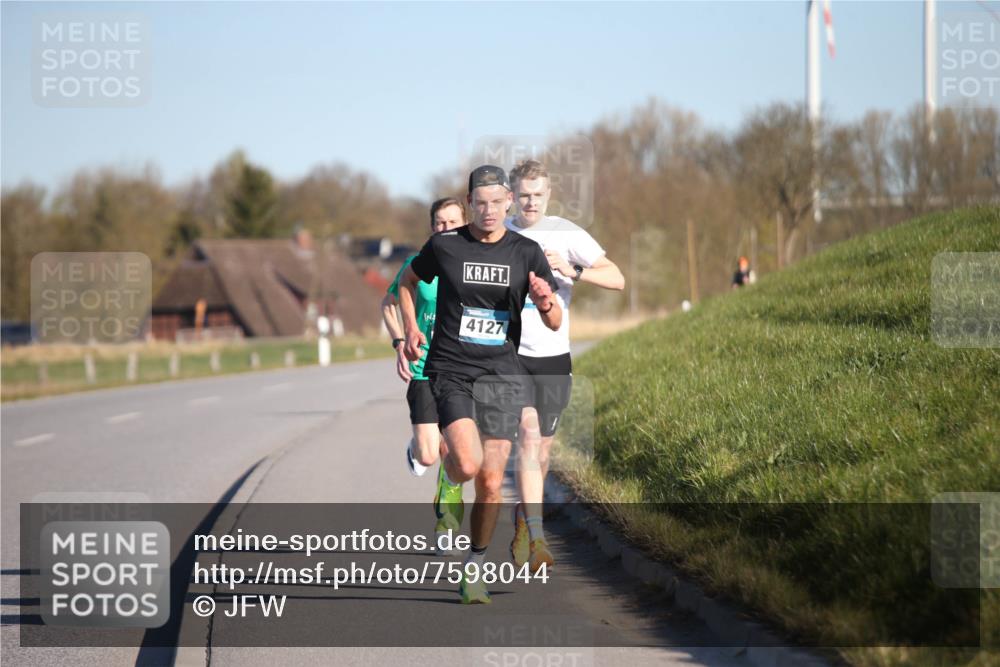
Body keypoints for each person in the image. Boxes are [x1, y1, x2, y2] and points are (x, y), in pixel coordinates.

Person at [397, 165, 562, 604]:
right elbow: (407, 283)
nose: (489, 211)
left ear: (509, 201)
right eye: (480, 202)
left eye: (496, 202)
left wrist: (546, 302)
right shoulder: (445, 246)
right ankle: (450, 482)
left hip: (502, 375)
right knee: (466, 465)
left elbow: (555, 318)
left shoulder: (526, 252)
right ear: (470, 203)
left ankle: (474, 564)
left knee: (490, 483)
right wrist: (411, 329)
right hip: (451, 370)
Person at [504, 159, 625, 573]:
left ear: (548, 195)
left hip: (554, 354)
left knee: (543, 450)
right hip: (511, 354)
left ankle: (523, 517)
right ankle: (537, 537)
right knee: (528, 434)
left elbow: (617, 278)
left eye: (537, 194)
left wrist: (571, 269)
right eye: (523, 194)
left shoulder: (566, 233)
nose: (530, 201)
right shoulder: (499, 233)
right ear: (511, 196)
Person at [381, 198, 467, 478]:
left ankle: (448, 504)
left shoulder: (472, 264)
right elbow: (388, 303)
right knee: (428, 455)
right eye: (440, 222)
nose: (446, 227)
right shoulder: (416, 264)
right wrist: (399, 342)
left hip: (460, 367)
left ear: (464, 224)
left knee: (455, 448)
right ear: (432, 227)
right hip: (423, 366)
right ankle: (416, 448)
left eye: (453, 222)